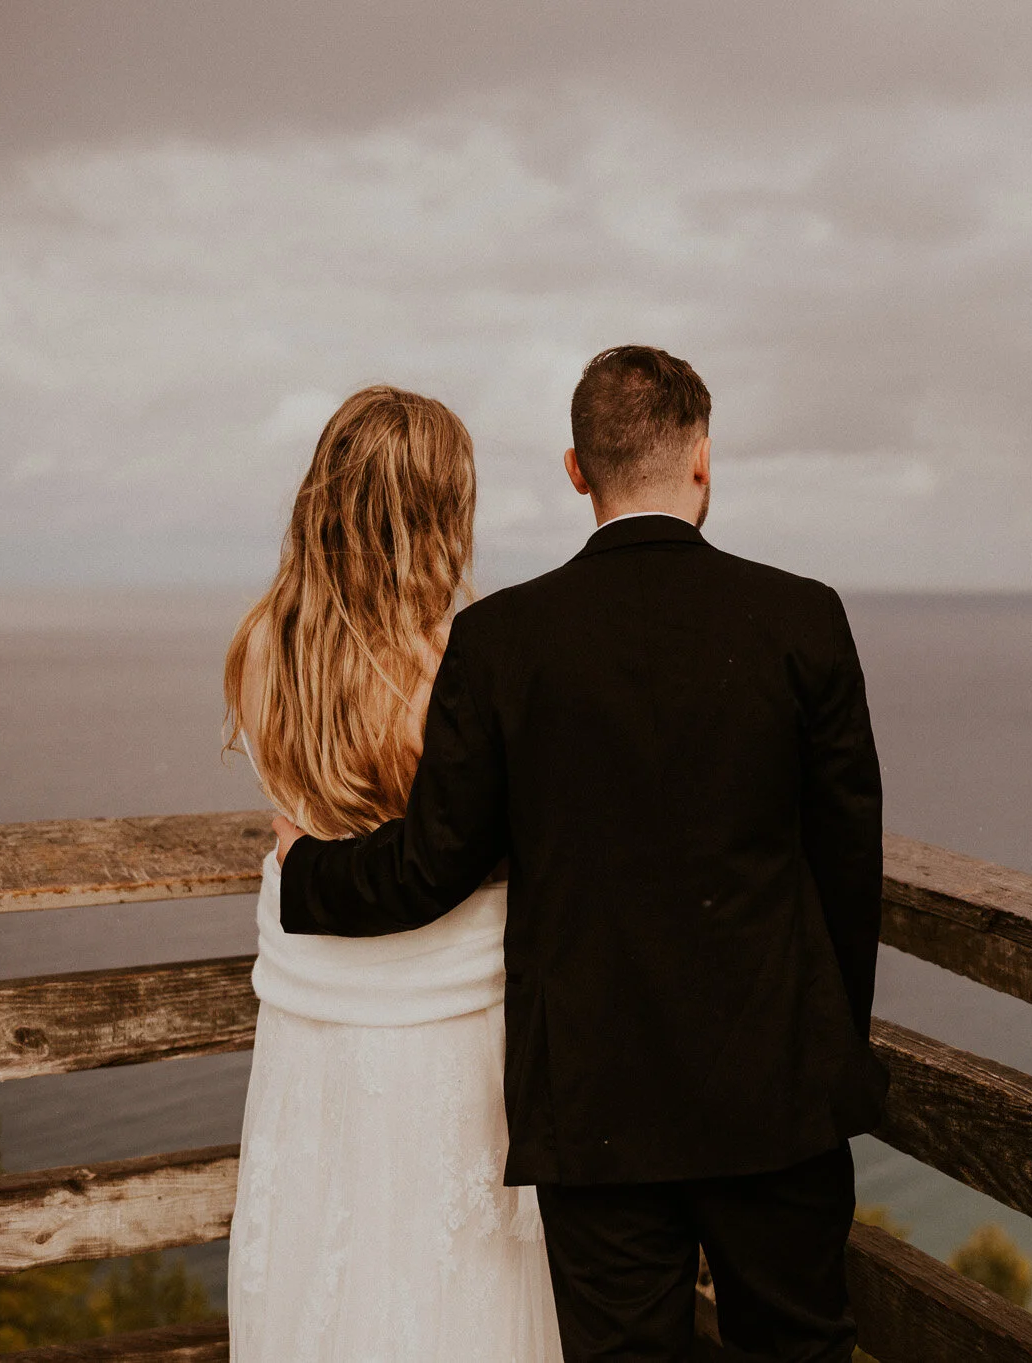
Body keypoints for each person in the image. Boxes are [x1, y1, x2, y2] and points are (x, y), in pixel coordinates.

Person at [273, 345, 887, 1362]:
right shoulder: (801, 618)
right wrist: (824, 1051)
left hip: (595, 1108)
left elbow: (429, 864)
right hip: (776, 1093)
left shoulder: (503, 640)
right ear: (701, 460)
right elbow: (846, 873)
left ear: (575, 470)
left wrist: (302, 870)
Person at [222, 385, 562, 1361]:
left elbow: (306, 821)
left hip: (312, 1024)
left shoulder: (258, 646)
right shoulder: (460, 665)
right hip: (447, 1027)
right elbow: (478, 842)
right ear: (437, 510)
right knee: (451, 1282)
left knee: (326, 1256)